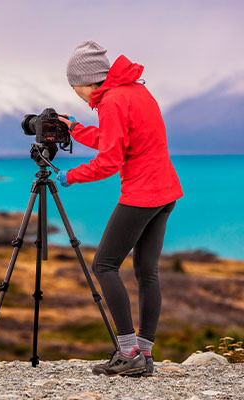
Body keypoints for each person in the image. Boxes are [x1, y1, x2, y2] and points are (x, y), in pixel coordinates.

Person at [56, 40, 184, 377]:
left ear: (89, 80)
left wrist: (70, 176)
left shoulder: (111, 101)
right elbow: (120, 139)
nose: (75, 93)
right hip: (166, 191)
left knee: (104, 266)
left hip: (142, 193)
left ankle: (128, 353)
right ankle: (144, 353)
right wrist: (75, 128)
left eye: (75, 85)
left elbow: (109, 161)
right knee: (147, 271)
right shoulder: (136, 91)